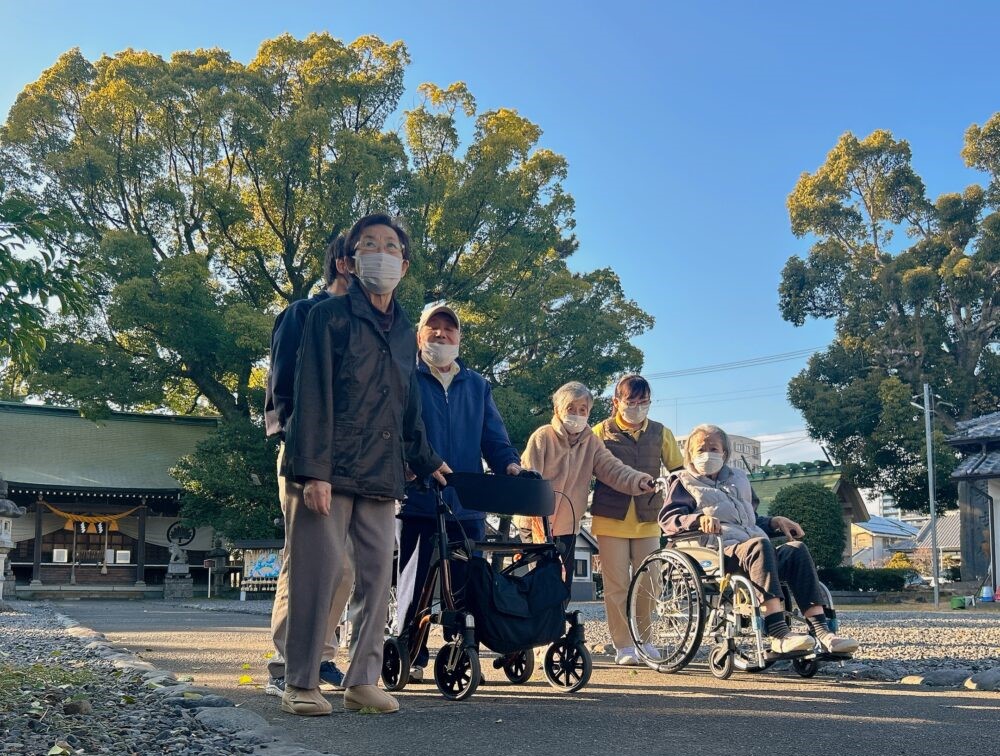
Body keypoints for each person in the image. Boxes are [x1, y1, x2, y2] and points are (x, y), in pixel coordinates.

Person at [280, 213, 451, 716]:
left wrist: (425, 458)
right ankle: (301, 683)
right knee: (320, 575)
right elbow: (309, 395)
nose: (382, 253)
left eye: (391, 246)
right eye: (369, 244)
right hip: (328, 468)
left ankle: (363, 680)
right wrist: (312, 471)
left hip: (381, 470)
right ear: (351, 261)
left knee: (378, 577)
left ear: (405, 261)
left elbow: (407, 405)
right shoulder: (326, 317)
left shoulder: (404, 330)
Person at [396, 301, 526, 683]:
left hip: (467, 505)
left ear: (459, 338)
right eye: (433, 328)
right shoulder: (406, 377)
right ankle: (409, 654)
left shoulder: (477, 385)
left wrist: (510, 465)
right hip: (419, 499)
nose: (441, 334)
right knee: (414, 584)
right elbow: (401, 434)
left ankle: (461, 654)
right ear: (419, 336)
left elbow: (494, 439)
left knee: (466, 587)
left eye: (448, 329)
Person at [658, 423, 858, 655]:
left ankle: (823, 633)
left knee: (796, 549)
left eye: (714, 448)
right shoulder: (682, 481)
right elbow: (669, 520)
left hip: (754, 549)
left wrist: (775, 522)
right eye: (700, 450)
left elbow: (750, 520)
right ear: (690, 454)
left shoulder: (739, 479)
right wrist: (697, 520)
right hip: (717, 552)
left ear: (725, 453)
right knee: (760, 546)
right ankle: (778, 633)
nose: (707, 454)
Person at [263, 234, 352, 698]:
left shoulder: (370, 326)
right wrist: (298, 449)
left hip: (355, 459)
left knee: (346, 565)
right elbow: (281, 390)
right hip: (304, 449)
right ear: (343, 262)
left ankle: (322, 653)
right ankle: (287, 660)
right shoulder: (300, 314)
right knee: (304, 558)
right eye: (367, 250)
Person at [516, 381, 657, 587]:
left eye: (583, 409)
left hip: (567, 526)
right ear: (557, 410)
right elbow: (528, 475)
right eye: (570, 408)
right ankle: (537, 620)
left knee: (563, 587)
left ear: (588, 413)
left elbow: (612, 468)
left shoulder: (591, 443)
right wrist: (536, 516)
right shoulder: (543, 436)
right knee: (539, 585)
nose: (577, 414)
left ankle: (559, 619)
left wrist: (639, 480)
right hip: (535, 524)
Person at [591, 374, 684, 666]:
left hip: (649, 518)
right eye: (632, 401)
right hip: (610, 518)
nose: (638, 407)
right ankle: (624, 645)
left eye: (644, 402)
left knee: (650, 581)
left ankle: (645, 638)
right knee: (617, 584)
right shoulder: (599, 432)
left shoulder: (661, 432)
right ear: (616, 402)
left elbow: (678, 472)